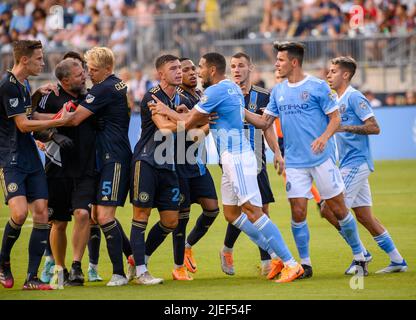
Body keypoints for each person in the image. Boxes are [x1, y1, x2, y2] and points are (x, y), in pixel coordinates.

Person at [150, 52, 304, 283]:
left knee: (254, 211)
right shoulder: (232, 88)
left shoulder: (215, 91)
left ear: (212, 70)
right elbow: (202, 117)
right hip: (232, 157)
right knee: (232, 214)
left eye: (200, 67)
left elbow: (188, 123)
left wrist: (165, 110)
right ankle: (276, 256)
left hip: (237, 157)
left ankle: (291, 263)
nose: (197, 72)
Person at [244, 42, 368, 278]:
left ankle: (360, 256)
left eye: (280, 60)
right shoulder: (278, 91)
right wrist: (239, 110)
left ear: (293, 62)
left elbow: (335, 118)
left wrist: (324, 137)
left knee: (339, 210)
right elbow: (264, 123)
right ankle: (305, 264)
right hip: (295, 163)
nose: (276, 64)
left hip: (322, 160)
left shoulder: (317, 87)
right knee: (298, 211)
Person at [324, 56, 407, 274]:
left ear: (346, 75)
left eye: (333, 71)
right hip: (348, 162)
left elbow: (374, 127)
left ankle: (361, 254)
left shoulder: (354, 97)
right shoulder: (336, 99)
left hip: (356, 162)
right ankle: (397, 260)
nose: (328, 75)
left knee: (330, 208)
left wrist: (345, 128)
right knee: (364, 216)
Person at [60, 46, 133, 287]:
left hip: (114, 158)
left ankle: (120, 273)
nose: (90, 74)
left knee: (103, 215)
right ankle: (135, 261)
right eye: (88, 69)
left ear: (107, 69)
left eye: (93, 69)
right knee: (98, 215)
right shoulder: (115, 84)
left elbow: (75, 118)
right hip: (109, 156)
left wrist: (38, 121)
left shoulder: (103, 89)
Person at [0, 40, 67, 290]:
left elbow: (31, 115)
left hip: (29, 158)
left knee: (41, 212)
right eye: (39, 58)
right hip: (11, 158)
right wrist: (59, 123)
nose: (43, 61)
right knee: (19, 214)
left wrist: (62, 116)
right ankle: (3, 262)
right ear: (24, 60)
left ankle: (31, 278)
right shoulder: (7, 86)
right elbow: (23, 125)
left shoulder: (24, 84)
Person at [33, 58, 97, 289]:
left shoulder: (90, 96)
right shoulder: (49, 98)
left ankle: (77, 266)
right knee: (58, 223)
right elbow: (33, 127)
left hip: (85, 169)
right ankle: (60, 268)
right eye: (79, 74)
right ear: (65, 80)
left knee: (82, 214)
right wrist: (54, 136)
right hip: (56, 168)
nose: (84, 76)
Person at [130, 54, 191, 284]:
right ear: (160, 74)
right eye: (173, 68)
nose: (179, 71)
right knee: (141, 215)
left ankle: (139, 259)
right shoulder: (153, 96)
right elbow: (165, 128)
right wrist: (188, 120)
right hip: (147, 162)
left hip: (168, 165)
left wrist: (181, 115)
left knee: (171, 221)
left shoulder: (179, 99)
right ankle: (141, 272)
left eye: (179, 68)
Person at [219, 52, 280, 277]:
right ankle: (234, 251)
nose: (236, 70)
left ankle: (265, 260)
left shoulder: (263, 96)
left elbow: (268, 128)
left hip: (257, 160)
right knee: (241, 210)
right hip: (231, 160)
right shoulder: (224, 93)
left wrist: (278, 154)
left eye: (241, 65)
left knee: (260, 210)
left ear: (250, 68)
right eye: (233, 66)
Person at [176, 58, 219, 275]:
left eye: (194, 68)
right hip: (180, 164)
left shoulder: (200, 96)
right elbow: (189, 135)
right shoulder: (178, 98)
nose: (192, 73)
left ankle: (187, 247)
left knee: (212, 210)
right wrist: (208, 125)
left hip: (198, 163)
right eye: (186, 70)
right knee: (180, 217)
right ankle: (177, 264)